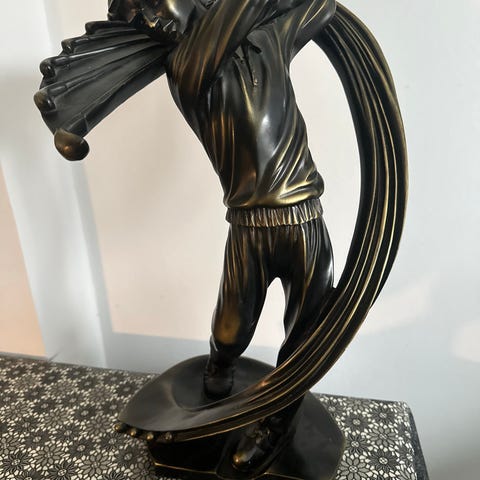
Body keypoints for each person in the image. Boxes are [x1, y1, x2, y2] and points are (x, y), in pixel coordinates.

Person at [109, 0, 336, 472]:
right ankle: (219, 371)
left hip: (306, 218)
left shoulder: (268, 37)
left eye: (149, 4)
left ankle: (275, 425)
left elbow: (322, 5)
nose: (150, 20)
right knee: (231, 330)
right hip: (249, 227)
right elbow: (231, 20)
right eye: (136, 18)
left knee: (306, 337)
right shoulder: (187, 67)